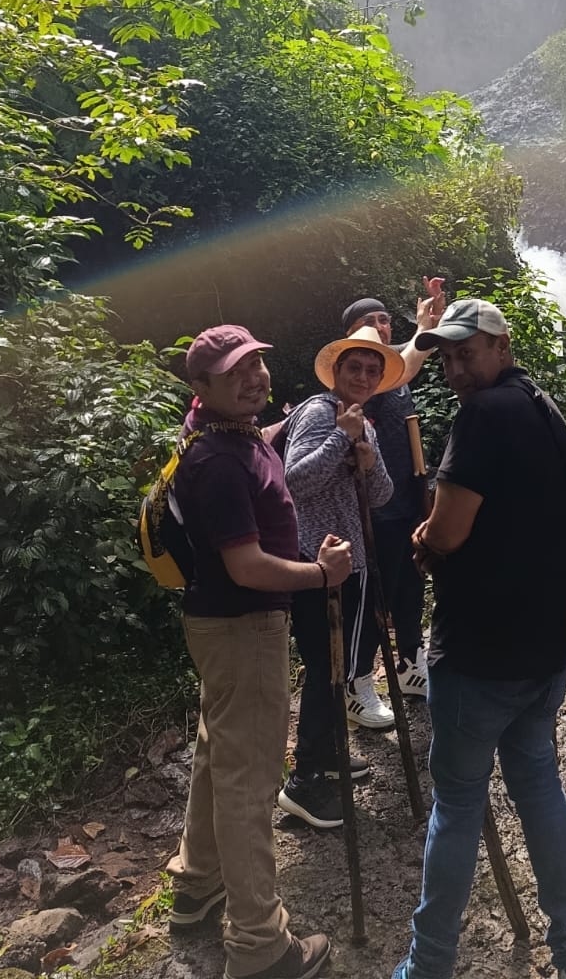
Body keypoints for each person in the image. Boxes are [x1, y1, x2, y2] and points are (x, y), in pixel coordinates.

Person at [390, 299, 566, 979]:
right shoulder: (543, 407)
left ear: (501, 346)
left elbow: (450, 528)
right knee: (538, 788)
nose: (456, 368)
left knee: (457, 805)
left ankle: (429, 965)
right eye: (447, 358)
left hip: (480, 651)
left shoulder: (482, 415)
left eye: (467, 353)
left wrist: (424, 540)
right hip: (544, 646)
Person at [167, 324, 353, 979]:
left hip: (222, 629)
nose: (253, 378)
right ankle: (258, 945)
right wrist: (321, 575)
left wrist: (299, 423)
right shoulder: (218, 462)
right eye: (234, 372)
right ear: (201, 385)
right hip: (244, 627)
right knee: (250, 784)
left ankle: (197, 885)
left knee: (218, 757)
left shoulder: (222, 433)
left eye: (256, 364)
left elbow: (259, 445)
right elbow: (246, 567)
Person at [278, 326, 404, 829]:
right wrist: (340, 438)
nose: (364, 377)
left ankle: (328, 755)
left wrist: (368, 462)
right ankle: (304, 779)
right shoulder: (319, 413)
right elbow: (295, 480)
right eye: (356, 367)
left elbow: (382, 496)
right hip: (320, 563)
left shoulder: (363, 423)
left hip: (351, 563)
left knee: (339, 665)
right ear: (337, 371)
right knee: (327, 667)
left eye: (373, 370)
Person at [339, 276, 444, 721]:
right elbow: (411, 359)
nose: (381, 326)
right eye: (370, 321)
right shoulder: (362, 376)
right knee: (369, 599)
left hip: (405, 501)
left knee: (409, 587)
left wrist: (425, 325)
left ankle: (409, 666)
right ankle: (357, 682)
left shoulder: (391, 366)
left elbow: (410, 355)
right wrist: (423, 330)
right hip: (371, 509)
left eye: (384, 319)